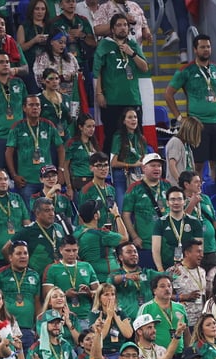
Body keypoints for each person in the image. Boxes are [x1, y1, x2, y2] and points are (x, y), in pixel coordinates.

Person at [164, 34, 216, 178]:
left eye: (208, 46)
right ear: (195, 50)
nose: (206, 50)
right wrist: (179, 118)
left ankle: (214, 195)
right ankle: (196, 194)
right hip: (197, 124)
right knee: (197, 164)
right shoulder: (186, 70)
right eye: (202, 47)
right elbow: (168, 94)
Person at [93, 13, 147, 156]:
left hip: (132, 99)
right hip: (112, 100)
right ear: (112, 29)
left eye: (125, 25)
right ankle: (109, 171)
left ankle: (139, 167)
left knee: (137, 136)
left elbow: (144, 67)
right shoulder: (105, 45)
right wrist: (99, 93)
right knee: (111, 136)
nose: (122, 28)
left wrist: (132, 53)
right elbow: (97, 71)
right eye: (118, 25)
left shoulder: (133, 44)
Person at [5, 95, 65, 205]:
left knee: (50, 211)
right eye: (31, 105)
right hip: (26, 181)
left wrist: (61, 170)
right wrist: (14, 175)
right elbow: (9, 152)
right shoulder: (17, 127)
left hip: (48, 180)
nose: (35, 108)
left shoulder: (48, 125)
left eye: (37, 105)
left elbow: (60, 147)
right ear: (24, 108)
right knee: (30, 213)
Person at [0, 240, 42, 350]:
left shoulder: (35, 275)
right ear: (10, 257)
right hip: (5, 329)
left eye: (25, 253)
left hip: (28, 330)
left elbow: (37, 303)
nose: (23, 256)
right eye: (18, 253)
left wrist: (39, 327)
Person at [0, 168, 31, 264]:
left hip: (17, 254)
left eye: (5, 179)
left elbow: (27, 223)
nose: (3, 182)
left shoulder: (17, 198)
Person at [152, 187, 203, 272]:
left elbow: (199, 250)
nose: (176, 202)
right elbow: (156, 250)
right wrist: (161, 270)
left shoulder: (195, 222)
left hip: (189, 269)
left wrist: (194, 269)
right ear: (167, 203)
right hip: (167, 269)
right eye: (172, 199)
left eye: (179, 199)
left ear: (184, 202)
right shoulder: (160, 223)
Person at [111, 241, 156, 317]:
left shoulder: (147, 273)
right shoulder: (116, 274)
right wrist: (125, 277)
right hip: (127, 320)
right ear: (121, 257)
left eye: (135, 251)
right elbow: (112, 281)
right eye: (129, 252)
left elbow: (167, 275)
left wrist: (174, 272)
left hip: (149, 319)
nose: (133, 254)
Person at [65, 116, 99, 192]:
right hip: (79, 182)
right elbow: (65, 166)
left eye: (93, 126)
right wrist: (69, 187)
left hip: (94, 181)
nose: (92, 129)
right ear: (81, 127)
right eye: (89, 126)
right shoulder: (73, 143)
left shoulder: (94, 143)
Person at [164, 117, 201, 187]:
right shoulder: (175, 142)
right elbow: (172, 165)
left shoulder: (186, 144)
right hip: (177, 186)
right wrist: (180, 182)